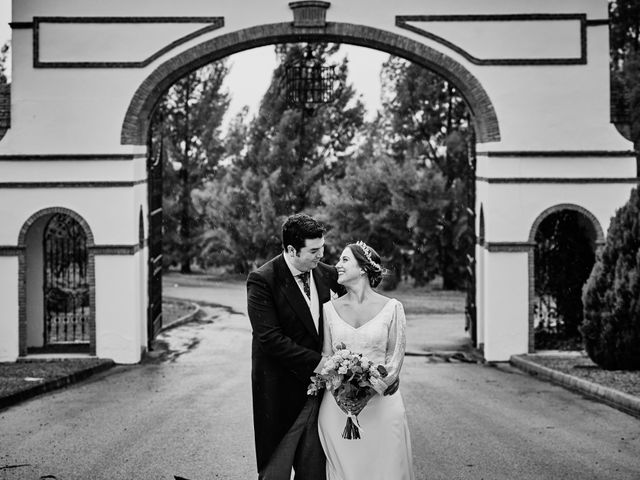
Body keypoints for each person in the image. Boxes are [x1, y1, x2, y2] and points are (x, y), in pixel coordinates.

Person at [246, 213, 345, 480]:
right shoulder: (263, 280)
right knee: (275, 473)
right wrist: (321, 363)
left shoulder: (329, 275)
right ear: (291, 249)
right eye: (313, 251)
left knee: (314, 472)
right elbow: (270, 339)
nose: (320, 256)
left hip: (322, 397)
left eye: (322, 248)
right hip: (280, 393)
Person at [318, 241, 415, 480]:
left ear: (363, 268)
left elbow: (394, 360)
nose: (337, 265)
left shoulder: (392, 308)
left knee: (387, 469)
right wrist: (340, 393)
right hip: (338, 407)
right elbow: (326, 356)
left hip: (382, 405)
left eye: (344, 260)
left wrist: (367, 393)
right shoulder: (328, 309)